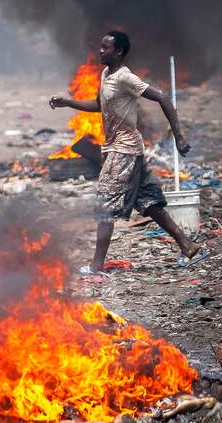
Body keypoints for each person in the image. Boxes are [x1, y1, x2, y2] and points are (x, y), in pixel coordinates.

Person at [49, 31, 204, 274]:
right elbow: (99, 105)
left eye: (106, 47)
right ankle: (187, 245)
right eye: (100, 47)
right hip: (127, 150)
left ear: (119, 51)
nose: (100, 51)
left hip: (124, 150)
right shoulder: (106, 75)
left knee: (105, 205)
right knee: (148, 202)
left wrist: (178, 135)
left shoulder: (125, 78)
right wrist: (68, 102)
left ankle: (96, 266)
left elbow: (162, 97)